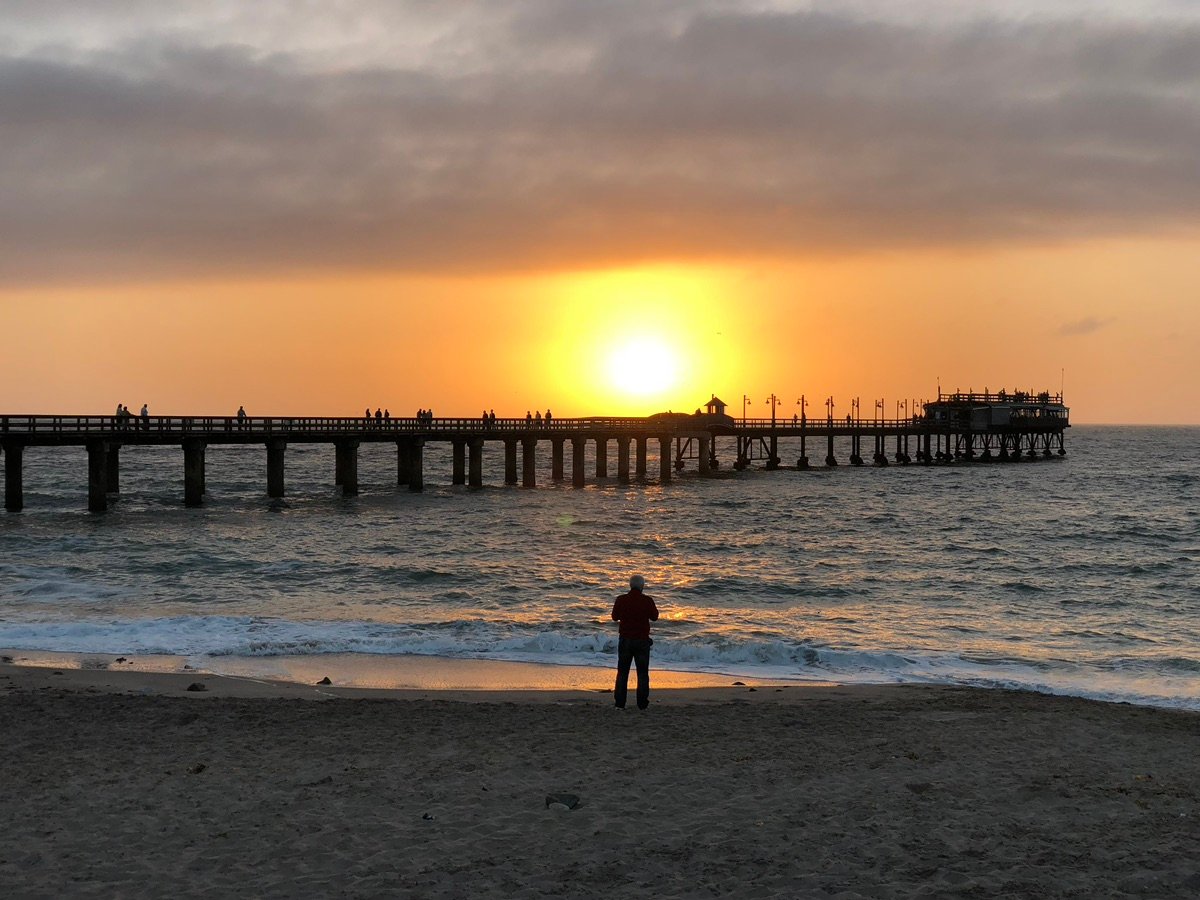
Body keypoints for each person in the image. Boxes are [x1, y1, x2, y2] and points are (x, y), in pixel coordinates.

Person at [611, 574, 659, 710]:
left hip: (625, 639)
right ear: (642, 586)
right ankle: (642, 704)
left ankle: (620, 703)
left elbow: (614, 617)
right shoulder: (647, 600)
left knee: (622, 672)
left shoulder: (621, 600)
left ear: (630, 585)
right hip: (642, 640)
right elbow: (655, 617)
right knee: (642, 673)